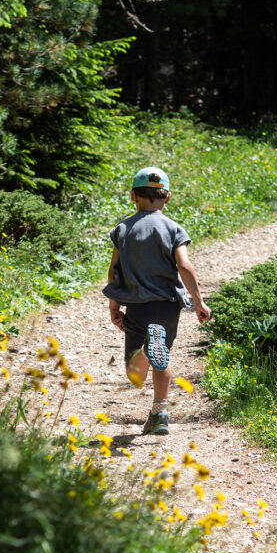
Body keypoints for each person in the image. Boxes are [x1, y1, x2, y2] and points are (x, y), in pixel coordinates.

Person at [103, 165, 211, 436]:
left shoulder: (123, 229)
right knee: (163, 352)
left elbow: (114, 269)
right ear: (168, 197)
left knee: (134, 371)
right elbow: (185, 266)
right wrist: (199, 302)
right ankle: (160, 412)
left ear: (133, 196)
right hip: (167, 304)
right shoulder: (173, 228)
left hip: (138, 305)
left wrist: (114, 305)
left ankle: (147, 350)